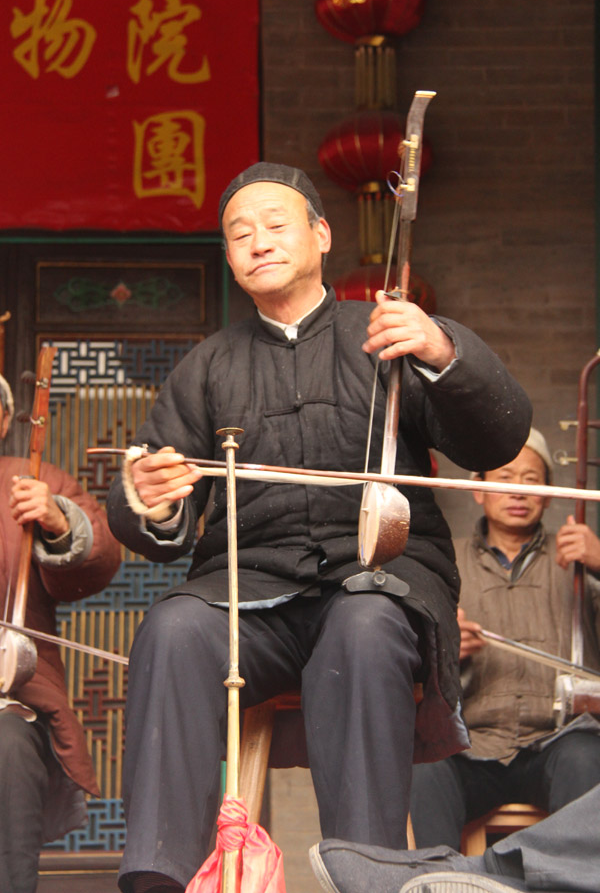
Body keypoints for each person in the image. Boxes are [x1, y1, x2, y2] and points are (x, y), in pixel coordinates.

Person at [106, 161, 532, 893]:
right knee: (175, 628)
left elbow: (498, 440)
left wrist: (441, 349)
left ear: (322, 234)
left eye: (276, 225)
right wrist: (149, 496)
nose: (259, 242)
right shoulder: (207, 367)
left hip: (378, 581)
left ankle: (366, 870)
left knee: (363, 627)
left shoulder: (387, 332)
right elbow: (150, 507)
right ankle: (159, 874)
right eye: (241, 234)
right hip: (250, 596)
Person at [409, 428, 600, 852]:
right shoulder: (446, 563)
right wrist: (442, 651)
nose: (518, 492)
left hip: (556, 743)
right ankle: (436, 882)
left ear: (549, 495)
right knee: (425, 768)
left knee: (586, 755)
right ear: (478, 489)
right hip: (471, 745)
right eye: (505, 478)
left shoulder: (578, 558)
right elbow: (407, 658)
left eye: (532, 481)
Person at [0, 371, 121, 893]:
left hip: (9, 693)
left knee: (7, 745)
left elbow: (99, 562)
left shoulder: (30, 479)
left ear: (4, 420)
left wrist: (58, 520)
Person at [309, 781, 600, 893]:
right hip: (478, 742)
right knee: (430, 770)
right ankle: (471, 875)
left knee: (581, 755)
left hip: (562, 735)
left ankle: (489, 872)